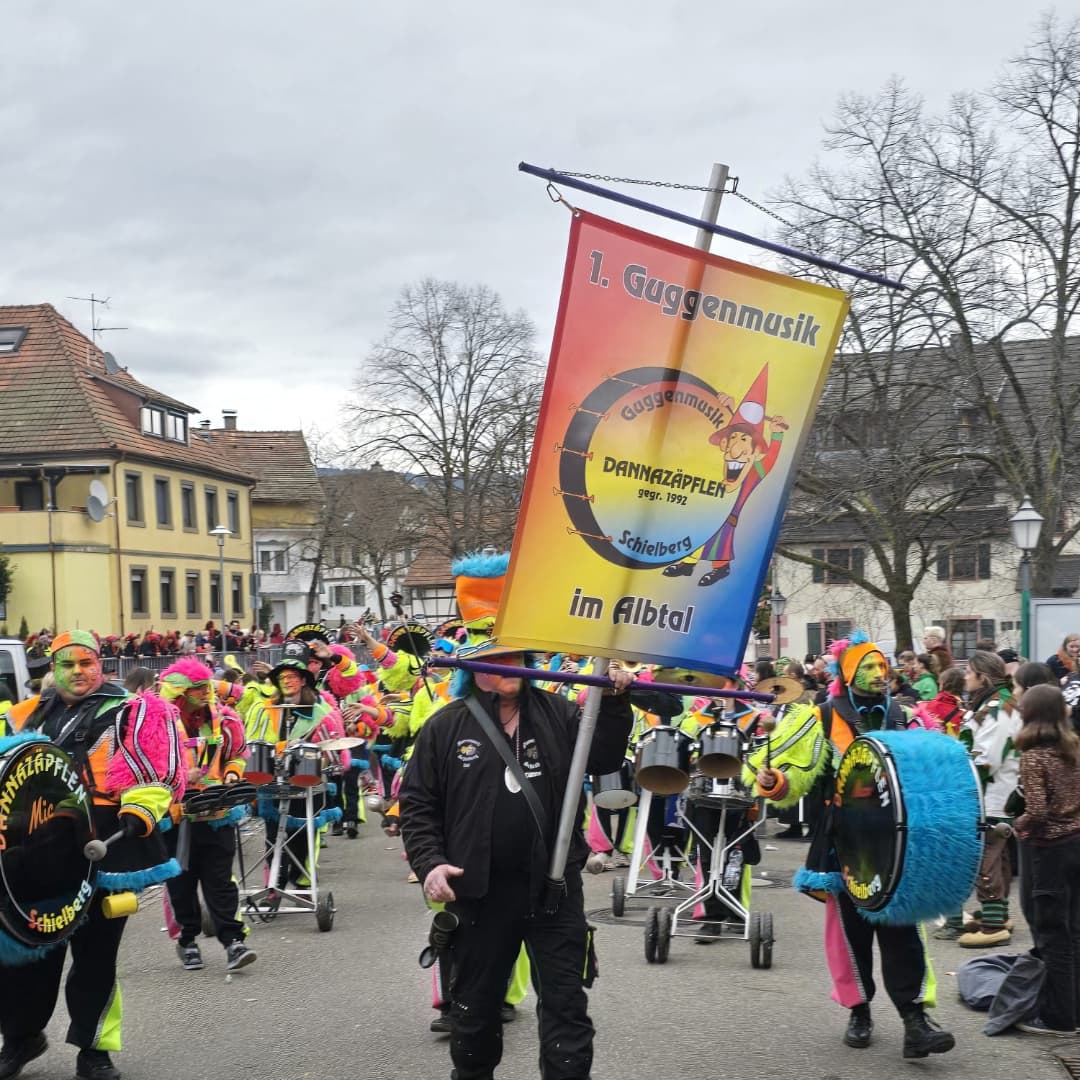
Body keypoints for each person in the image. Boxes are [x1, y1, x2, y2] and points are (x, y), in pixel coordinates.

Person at [400, 638, 633, 1080]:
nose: (509, 665)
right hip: (478, 895)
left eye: (515, 656)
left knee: (566, 1007)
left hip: (554, 890)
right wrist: (430, 863)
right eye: (495, 659)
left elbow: (604, 757)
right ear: (473, 670)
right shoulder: (444, 726)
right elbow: (417, 804)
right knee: (474, 1012)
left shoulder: (561, 713)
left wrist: (616, 701)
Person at [751, 631, 954, 1060]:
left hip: (896, 841)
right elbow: (796, 776)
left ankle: (915, 1019)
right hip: (844, 840)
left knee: (903, 929)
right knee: (850, 932)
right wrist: (775, 781)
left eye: (882, 665)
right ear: (847, 673)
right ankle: (859, 1011)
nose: (880, 672)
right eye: (869, 666)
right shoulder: (822, 718)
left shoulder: (905, 716)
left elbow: (932, 772)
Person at [3, 631, 183, 1080]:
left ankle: (94, 1049)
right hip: (38, 851)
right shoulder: (23, 714)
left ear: (100, 664)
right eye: (69, 664)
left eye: (87, 663)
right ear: (53, 668)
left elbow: (153, 774)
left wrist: (140, 810)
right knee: (26, 950)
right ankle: (21, 1037)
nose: (79, 671)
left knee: (96, 957)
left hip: (103, 847)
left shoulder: (131, 712)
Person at [158, 659, 256, 973]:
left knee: (220, 882)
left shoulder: (224, 719)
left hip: (216, 812)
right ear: (180, 691)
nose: (205, 693)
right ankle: (187, 941)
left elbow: (236, 755)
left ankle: (233, 942)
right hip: (177, 816)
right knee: (181, 884)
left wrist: (231, 773)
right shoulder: (160, 724)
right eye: (197, 688)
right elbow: (149, 766)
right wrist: (181, 776)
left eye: (206, 687)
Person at [1012, 684, 1080, 1035]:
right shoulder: (1074, 748)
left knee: (1053, 934)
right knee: (1075, 929)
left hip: (1051, 850)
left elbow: (1037, 810)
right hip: (1078, 842)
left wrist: (1016, 825)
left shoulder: (1033, 756)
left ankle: (1059, 1017)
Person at [955, 650, 1021, 948]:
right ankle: (999, 913)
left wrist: (962, 782)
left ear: (982, 676)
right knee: (999, 857)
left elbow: (987, 759)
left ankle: (993, 925)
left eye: (969, 672)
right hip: (994, 792)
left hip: (993, 794)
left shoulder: (999, 707)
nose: (965, 677)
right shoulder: (993, 703)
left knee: (987, 858)